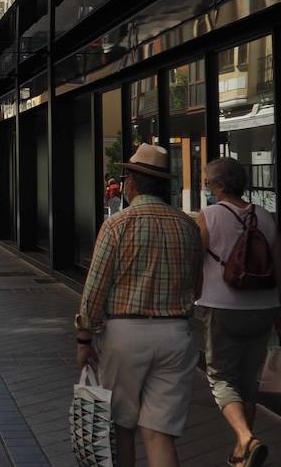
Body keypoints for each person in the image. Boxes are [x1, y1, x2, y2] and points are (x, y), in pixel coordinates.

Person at [75, 144, 202, 467]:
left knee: (121, 428)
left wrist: (84, 337)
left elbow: (95, 287)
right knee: (159, 433)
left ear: (130, 182)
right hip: (176, 334)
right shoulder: (187, 226)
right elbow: (196, 285)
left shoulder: (117, 225)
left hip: (125, 334)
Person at [196, 157, 281, 467]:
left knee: (221, 379)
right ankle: (241, 454)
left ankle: (247, 439)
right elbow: (280, 267)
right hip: (264, 306)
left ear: (220, 185)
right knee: (249, 381)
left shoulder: (208, 216)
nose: (206, 186)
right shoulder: (264, 216)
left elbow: (196, 264)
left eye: (207, 181)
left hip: (222, 307)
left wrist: (192, 297)